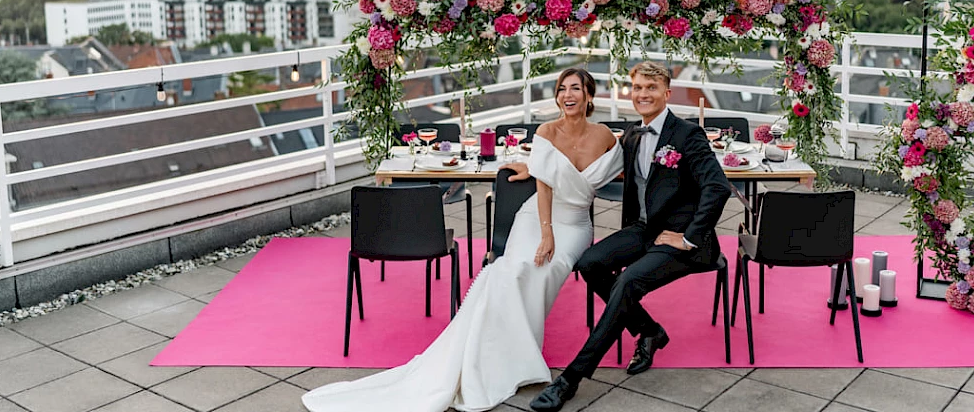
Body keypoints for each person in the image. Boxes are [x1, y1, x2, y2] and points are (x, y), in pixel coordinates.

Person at [302, 68, 622, 412]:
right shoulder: (546, 131)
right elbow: (545, 186)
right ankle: (506, 355)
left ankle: (517, 352)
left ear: (589, 95)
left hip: (575, 224)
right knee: (509, 272)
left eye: (575, 88)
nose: (567, 95)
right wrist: (545, 226)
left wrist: (540, 167)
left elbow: (615, 169)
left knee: (545, 270)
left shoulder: (605, 136)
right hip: (537, 218)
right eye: (562, 89)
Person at [529, 61, 731, 412]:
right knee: (589, 263)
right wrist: (528, 165)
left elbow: (718, 186)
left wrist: (688, 237)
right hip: (643, 230)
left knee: (626, 283)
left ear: (666, 93)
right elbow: (581, 163)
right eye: (637, 88)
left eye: (651, 88)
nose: (643, 94)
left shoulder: (687, 135)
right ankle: (649, 330)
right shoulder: (633, 135)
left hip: (680, 240)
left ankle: (571, 378)